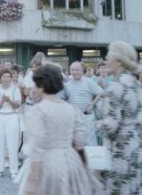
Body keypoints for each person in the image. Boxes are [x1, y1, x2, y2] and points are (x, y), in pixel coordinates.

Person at [16, 63, 90, 195]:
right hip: (70, 162)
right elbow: (80, 143)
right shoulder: (71, 109)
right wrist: (83, 168)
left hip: (48, 164)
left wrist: (32, 183)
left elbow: (37, 149)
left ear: (42, 85)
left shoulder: (37, 111)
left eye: (36, 83)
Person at [96, 41, 142, 194]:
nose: (106, 61)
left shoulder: (115, 86)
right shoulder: (136, 84)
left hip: (122, 152)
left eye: (108, 58)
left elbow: (110, 126)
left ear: (118, 61)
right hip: (140, 148)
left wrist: (96, 124)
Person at [64, 61, 103, 146]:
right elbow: (64, 99)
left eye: (77, 70)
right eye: (72, 70)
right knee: (75, 143)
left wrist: (92, 104)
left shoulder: (89, 82)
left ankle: (92, 159)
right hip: (73, 118)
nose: (74, 72)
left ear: (82, 71)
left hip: (87, 117)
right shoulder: (67, 85)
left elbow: (101, 93)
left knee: (90, 143)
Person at [0, 69, 21, 178]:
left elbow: (17, 105)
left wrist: (9, 101)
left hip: (12, 116)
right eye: (4, 77)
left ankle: (14, 170)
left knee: (12, 144)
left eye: (8, 76)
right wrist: (2, 101)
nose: (7, 79)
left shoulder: (15, 89)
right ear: (0, 78)